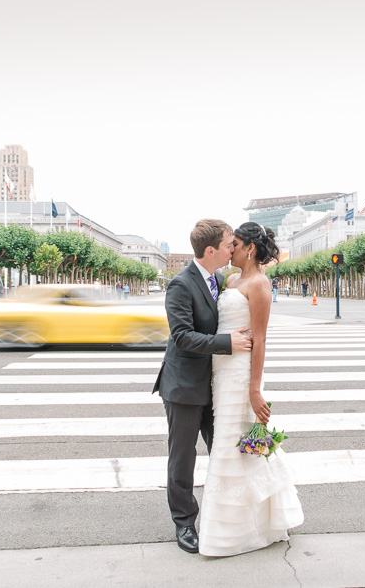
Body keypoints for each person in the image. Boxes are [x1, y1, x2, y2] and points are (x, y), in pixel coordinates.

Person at [199, 222, 304, 557]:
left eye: (237, 244)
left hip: (242, 374)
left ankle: (240, 528)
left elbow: (260, 340)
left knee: (236, 441)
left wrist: (255, 389)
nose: (231, 249)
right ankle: (244, 518)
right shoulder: (230, 280)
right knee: (231, 441)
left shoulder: (259, 284)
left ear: (251, 249)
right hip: (222, 371)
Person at [153, 219, 253, 554]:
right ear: (210, 250)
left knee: (225, 449)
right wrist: (227, 342)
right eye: (228, 244)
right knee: (182, 458)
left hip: (215, 384)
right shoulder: (181, 284)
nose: (232, 248)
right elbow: (181, 337)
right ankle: (184, 523)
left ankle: (231, 512)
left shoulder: (219, 279)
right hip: (183, 386)